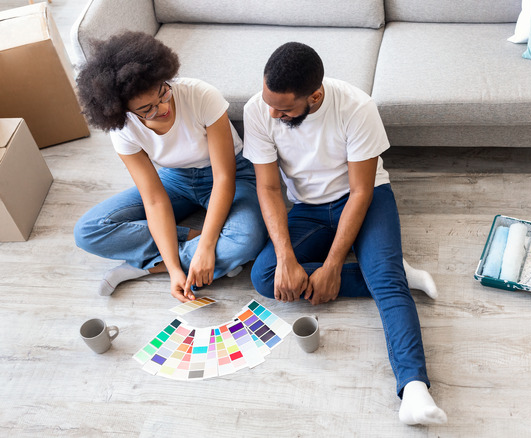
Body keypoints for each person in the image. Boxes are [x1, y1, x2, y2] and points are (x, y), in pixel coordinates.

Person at [243, 42, 447, 425]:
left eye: (283, 109)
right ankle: (396, 274)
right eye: (270, 103)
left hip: (365, 199)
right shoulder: (258, 110)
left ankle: (415, 389)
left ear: (315, 96)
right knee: (265, 276)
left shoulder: (357, 107)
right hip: (308, 210)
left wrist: (334, 265)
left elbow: (362, 191)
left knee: (384, 282)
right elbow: (269, 189)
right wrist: (287, 258)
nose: (272, 113)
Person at [74, 31, 266, 303]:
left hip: (230, 174)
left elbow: (224, 178)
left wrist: (207, 248)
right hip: (175, 180)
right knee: (88, 231)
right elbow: (154, 201)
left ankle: (146, 266)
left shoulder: (200, 95)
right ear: (123, 110)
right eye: (146, 109)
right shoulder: (124, 129)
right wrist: (177, 268)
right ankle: (189, 250)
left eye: (163, 93)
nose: (162, 108)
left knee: (247, 239)